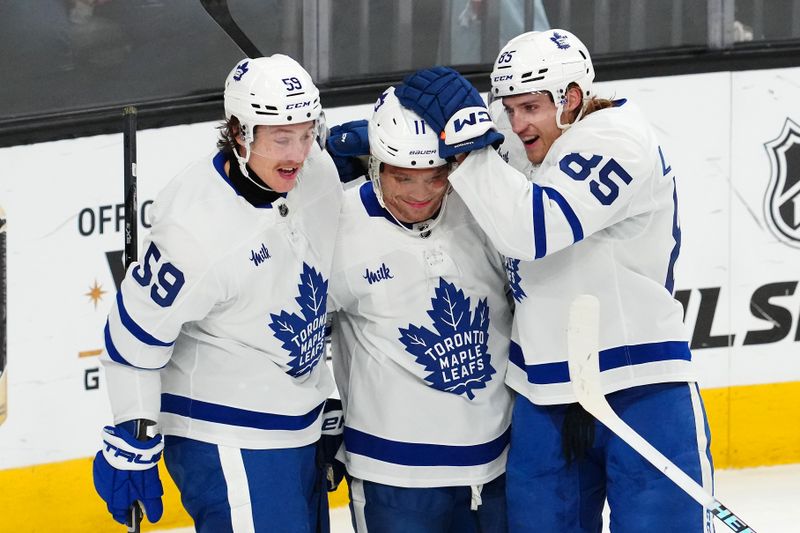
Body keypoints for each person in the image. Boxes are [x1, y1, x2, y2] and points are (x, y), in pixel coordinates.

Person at [394, 29, 715, 533]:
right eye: (509, 107)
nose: (516, 122)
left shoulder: (617, 140)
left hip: (638, 385)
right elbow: (458, 144)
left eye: (529, 108)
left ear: (570, 99)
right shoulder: (533, 129)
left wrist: (470, 145)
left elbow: (534, 229)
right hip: (544, 392)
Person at [92, 54, 343, 533]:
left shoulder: (317, 173)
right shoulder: (194, 232)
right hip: (226, 434)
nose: (297, 153)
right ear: (238, 131)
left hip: (300, 418)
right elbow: (132, 341)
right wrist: (134, 436)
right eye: (281, 137)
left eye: (307, 133)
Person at [326, 87, 514, 532]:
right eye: (402, 177)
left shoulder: (484, 207)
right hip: (393, 476)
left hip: (500, 467)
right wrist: (321, 408)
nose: (420, 194)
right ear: (375, 165)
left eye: (435, 176)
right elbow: (294, 327)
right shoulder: (336, 226)